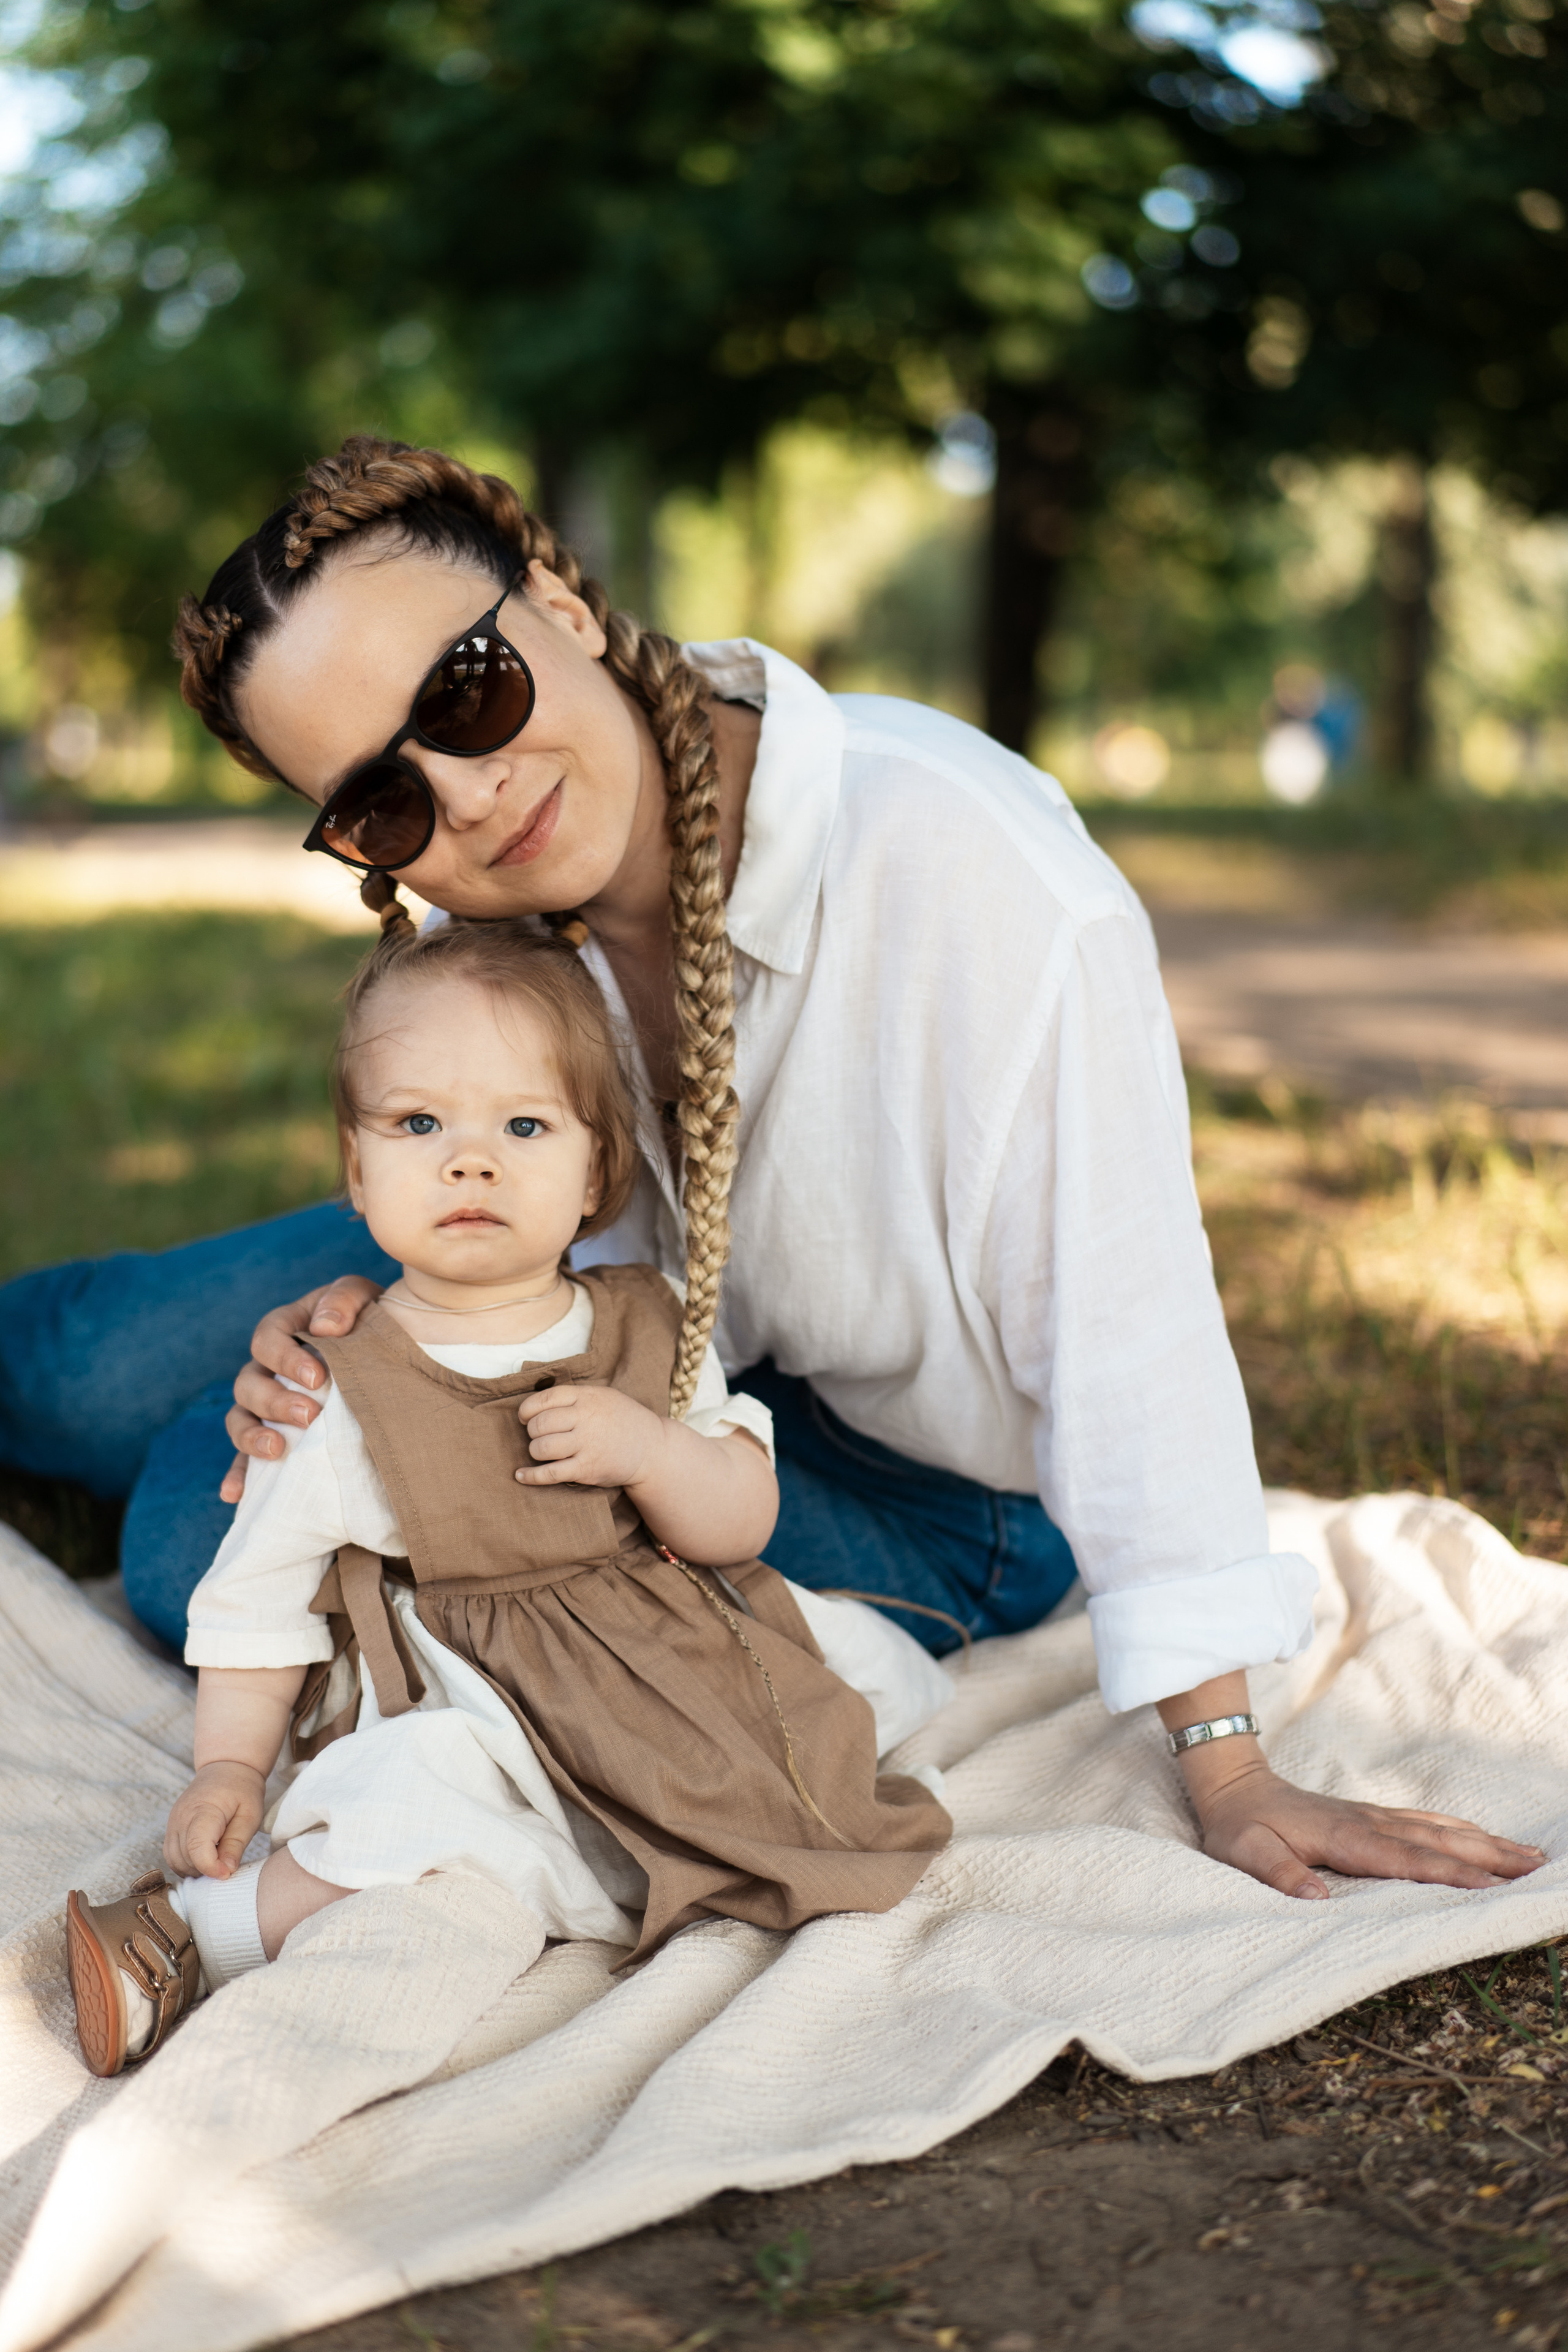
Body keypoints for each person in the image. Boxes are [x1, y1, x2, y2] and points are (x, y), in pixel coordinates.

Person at [4, 435, 1544, 1907]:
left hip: (926, 1488)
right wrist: (404, 1315)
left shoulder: (963, 872)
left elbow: (1123, 1318)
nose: (464, 799)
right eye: (382, 799)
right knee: (83, 1361)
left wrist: (1225, 1763)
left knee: (184, 1534)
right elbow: (533, 1204)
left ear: (555, 600)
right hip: (606, 1328)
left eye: (466, 692)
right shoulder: (504, 925)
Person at [64, 914, 952, 2077]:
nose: (468, 1160)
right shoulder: (342, 1391)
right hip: (482, 1708)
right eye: (419, 1123)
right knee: (409, 1803)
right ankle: (193, 1935)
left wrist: (653, 1452)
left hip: (670, 1665)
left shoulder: (652, 1328)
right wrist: (231, 1767)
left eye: (523, 1125)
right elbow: (257, 1598)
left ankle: (681, 1823)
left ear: (596, 1169)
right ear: (356, 1167)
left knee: (862, 1688)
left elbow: (743, 1517)